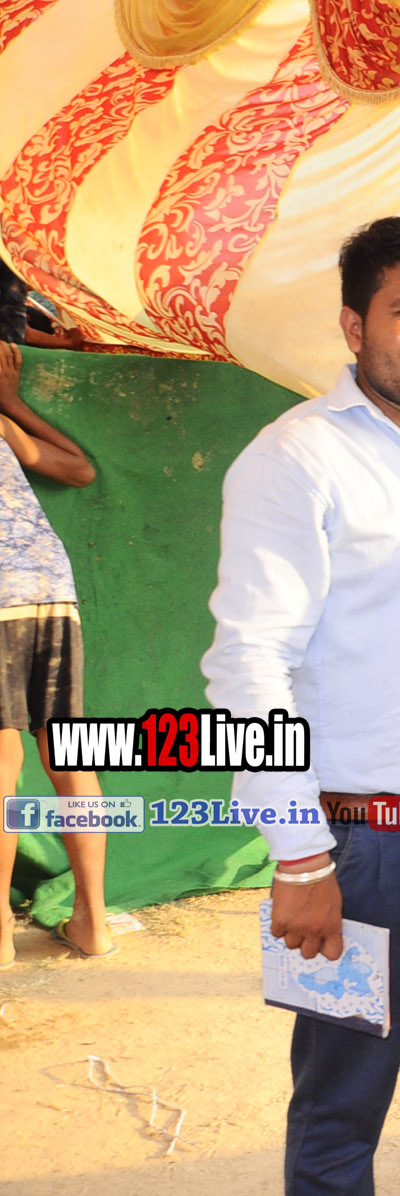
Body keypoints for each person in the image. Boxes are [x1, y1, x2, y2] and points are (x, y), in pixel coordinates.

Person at [202, 217, 400, 1196]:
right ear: (355, 326)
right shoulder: (296, 458)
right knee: (344, 1104)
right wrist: (300, 857)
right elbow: (247, 667)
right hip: (363, 846)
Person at [0, 338, 109, 966]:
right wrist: (12, 404)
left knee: (2, 763)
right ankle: (93, 923)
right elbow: (78, 469)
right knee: (70, 753)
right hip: (48, 585)